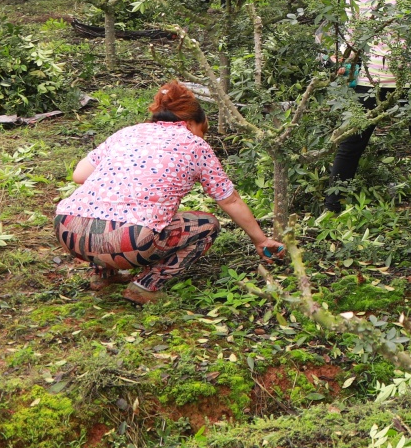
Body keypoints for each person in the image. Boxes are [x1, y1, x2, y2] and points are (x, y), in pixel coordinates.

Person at [55, 80, 284, 305]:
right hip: (128, 242)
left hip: (67, 230)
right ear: (193, 123)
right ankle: (146, 286)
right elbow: (230, 200)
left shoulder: (127, 133)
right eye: (202, 130)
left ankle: (102, 275)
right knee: (207, 225)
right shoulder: (195, 144)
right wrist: (260, 240)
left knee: (106, 211)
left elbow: (79, 175)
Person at [326, 0, 411, 207]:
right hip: (369, 79)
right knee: (351, 142)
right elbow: (353, 35)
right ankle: (332, 206)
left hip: (410, 78)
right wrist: (341, 59)